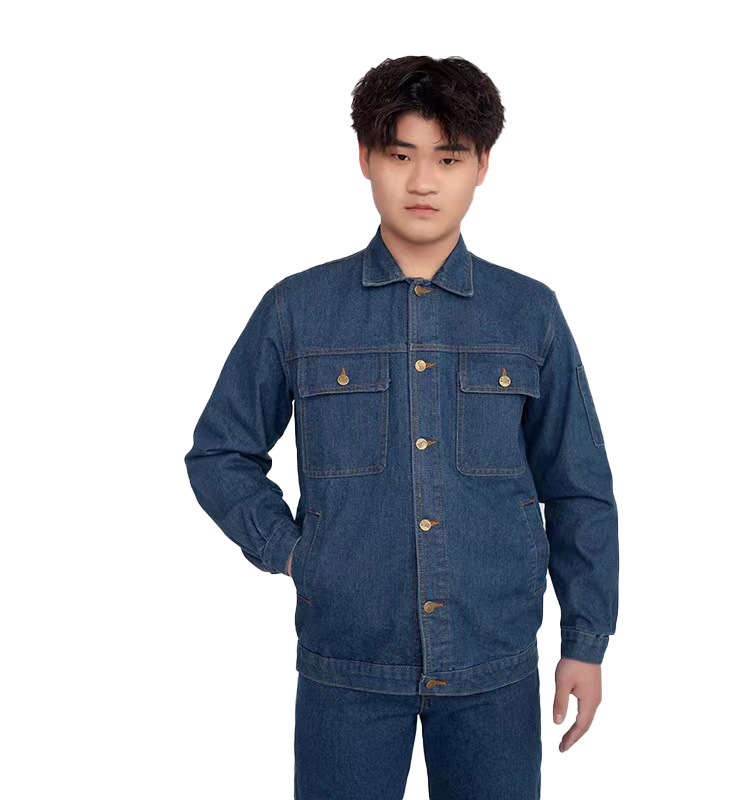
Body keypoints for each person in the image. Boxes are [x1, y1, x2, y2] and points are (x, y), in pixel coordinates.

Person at [184, 54, 619, 800]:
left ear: (482, 166)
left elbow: (577, 485)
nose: (422, 182)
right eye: (400, 155)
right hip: (347, 663)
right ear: (365, 159)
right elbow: (220, 452)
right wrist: (294, 552)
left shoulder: (529, 313)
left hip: (493, 662)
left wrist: (586, 639)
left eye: (448, 158)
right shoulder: (298, 309)